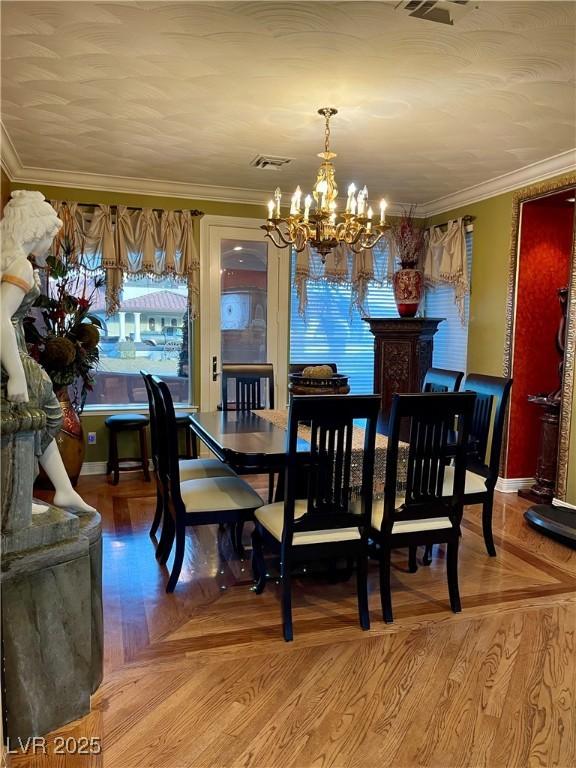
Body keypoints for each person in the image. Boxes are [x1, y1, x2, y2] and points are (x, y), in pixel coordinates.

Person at [1, 190, 96, 514]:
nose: (49, 245)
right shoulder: (20, 267)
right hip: (13, 357)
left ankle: (58, 490)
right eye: (49, 236)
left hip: (14, 353)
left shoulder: (13, 262)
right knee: (43, 419)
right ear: (35, 230)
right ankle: (32, 495)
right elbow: (1, 315)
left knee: (36, 423)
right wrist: (15, 373)